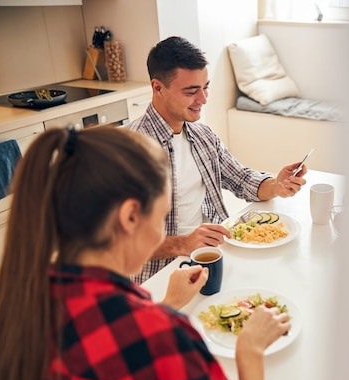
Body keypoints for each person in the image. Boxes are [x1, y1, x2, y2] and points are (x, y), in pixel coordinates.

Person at [0, 126, 291, 380]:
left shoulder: (5, 295)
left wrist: (166, 304)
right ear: (131, 216)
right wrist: (249, 350)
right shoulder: (166, 339)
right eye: (162, 216)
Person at [127, 36, 308, 284]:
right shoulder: (128, 151)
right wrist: (184, 244)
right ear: (158, 88)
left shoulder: (203, 136)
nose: (203, 99)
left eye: (206, 87)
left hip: (211, 259)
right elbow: (120, 242)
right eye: (191, 91)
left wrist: (276, 185)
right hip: (156, 278)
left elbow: (242, 179)